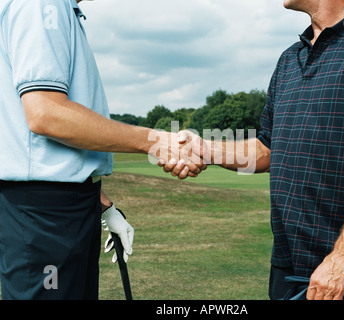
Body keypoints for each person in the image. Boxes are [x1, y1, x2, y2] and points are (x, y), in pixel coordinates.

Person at [163, 1, 344, 300]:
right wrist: (205, 149)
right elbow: (267, 148)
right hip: (288, 270)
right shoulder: (290, 58)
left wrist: (343, 257)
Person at [0, 0, 205, 300]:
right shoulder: (42, 3)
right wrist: (158, 142)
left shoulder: (62, 9)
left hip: (67, 208)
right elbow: (46, 114)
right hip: (45, 218)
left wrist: (102, 204)